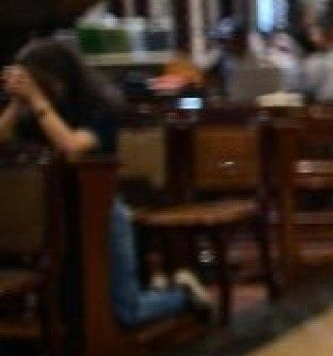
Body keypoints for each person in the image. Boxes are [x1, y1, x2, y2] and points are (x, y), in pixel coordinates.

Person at [0, 39, 209, 326]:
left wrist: (38, 102)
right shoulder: (31, 113)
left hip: (102, 211)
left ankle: (182, 295)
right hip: (52, 216)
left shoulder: (98, 109)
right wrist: (16, 102)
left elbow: (72, 148)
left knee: (126, 312)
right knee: (71, 310)